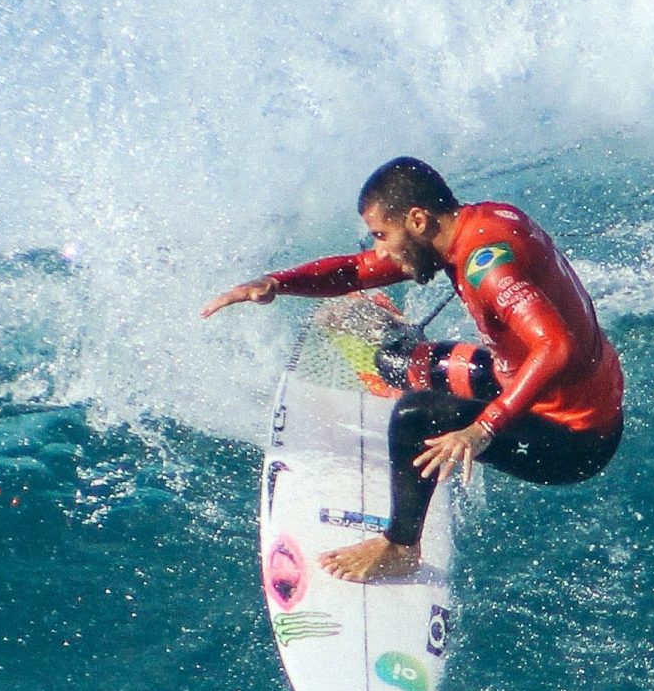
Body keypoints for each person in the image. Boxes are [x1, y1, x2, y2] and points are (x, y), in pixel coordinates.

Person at [200, 157, 626, 581]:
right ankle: (410, 370)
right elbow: (358, 270)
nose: (379, 250)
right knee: (400, 363)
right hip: (527, 379)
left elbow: (556, 347)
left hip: (574, 440)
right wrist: (278, 283)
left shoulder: (488, 266)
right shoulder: (477, 224)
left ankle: (401, 545)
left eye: (382, 235)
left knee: (415, 417)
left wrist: (483, 429)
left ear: (418, 220)